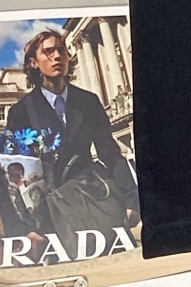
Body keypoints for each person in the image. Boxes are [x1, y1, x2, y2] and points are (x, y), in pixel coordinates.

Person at [7, 28, 139, 246]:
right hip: (50, 217)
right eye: (48, 52)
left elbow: (110, 153)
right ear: (33, 63)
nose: (57, 56)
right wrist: (21, 229)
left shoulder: (88, 101)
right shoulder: (21, 112)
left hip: (95, 201)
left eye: (62, 50)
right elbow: (11, 175)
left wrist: (132, 200)